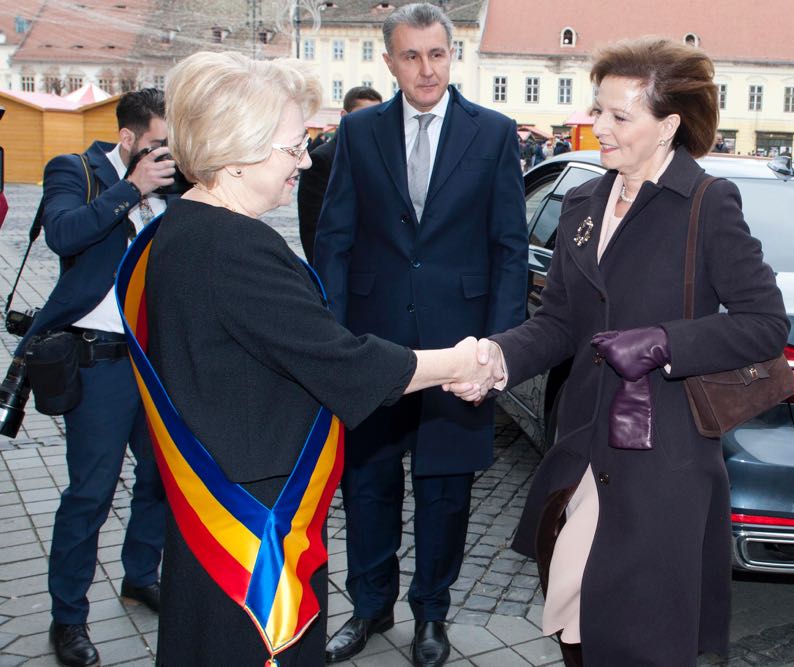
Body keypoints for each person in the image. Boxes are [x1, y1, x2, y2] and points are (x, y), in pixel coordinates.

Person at [134, 50, 498, 667]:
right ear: (236, 149)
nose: (305, 163)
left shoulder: (183, 228)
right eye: (292, 147)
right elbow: (344, 362)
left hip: (215, 497)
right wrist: (461, 361)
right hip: (252, 520)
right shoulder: (235, 249)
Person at [455, 37, 789, 666]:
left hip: (663, 456)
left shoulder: (707, 204)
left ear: (668, 125)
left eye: (618, 116)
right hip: (582, 442)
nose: (597, 126)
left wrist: (666, 342)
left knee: (639, 631)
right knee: (575, 611)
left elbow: (765, 323)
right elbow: (558, 324)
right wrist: (495, 361)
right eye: (597, 109)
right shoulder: (583, 200)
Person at [313, 3, 527, 666]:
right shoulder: (360, 133)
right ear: (390, 62)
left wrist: (497, 349)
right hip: (373, 347)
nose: (425, 68)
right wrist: (331, 339)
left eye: (436, 54)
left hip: (458, 351)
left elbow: (509, 247)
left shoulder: (491, 133)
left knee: (446, 491)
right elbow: (335, 238)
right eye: (411, 56)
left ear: (451, 55)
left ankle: (431, 613)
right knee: (368, 484)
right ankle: (369, 607)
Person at [19, 89, 174, 667]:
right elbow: (63, 234)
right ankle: (69, 619)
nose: (166, 157)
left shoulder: (171, 185)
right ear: (130, 140)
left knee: (159, 479)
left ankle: (140, 574)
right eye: (157, 145)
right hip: (100, 360)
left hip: (157, 361)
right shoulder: (76, 171)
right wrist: (132, 187)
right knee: (90, 493)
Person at [297, 86, 383, 263]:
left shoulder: (383, 155)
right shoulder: (322, 159)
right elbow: (313, 230)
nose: (371, 122)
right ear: (344, 116)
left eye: (377, 116)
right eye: (363, 115)